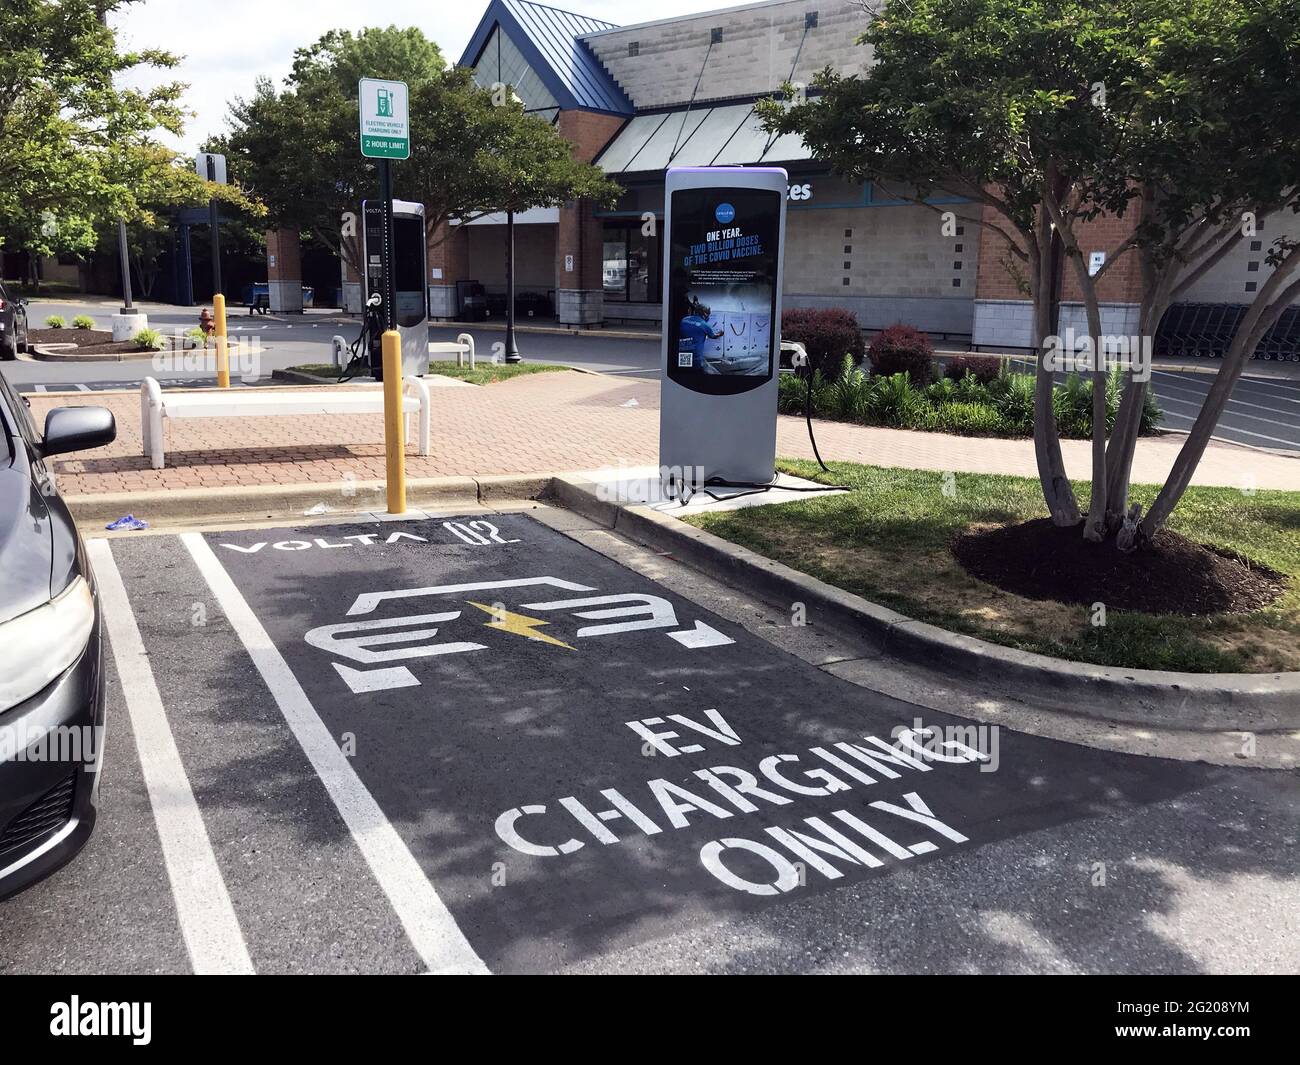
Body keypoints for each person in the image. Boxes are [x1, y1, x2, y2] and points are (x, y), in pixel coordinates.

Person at [677, 295, 724, 371]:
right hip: (696, 358)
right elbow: (713, 336)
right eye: (708, 313)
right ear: (704, 314)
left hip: (682, 355)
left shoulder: (684, 319)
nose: (708, 315)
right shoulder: (705, 325)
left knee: (685, 373)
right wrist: (720, 334)